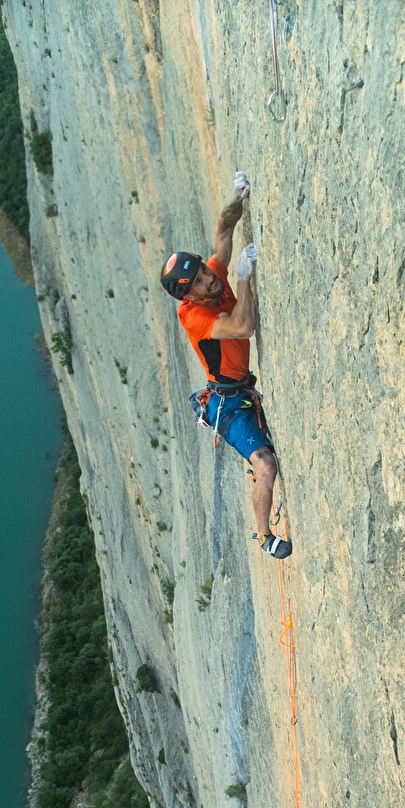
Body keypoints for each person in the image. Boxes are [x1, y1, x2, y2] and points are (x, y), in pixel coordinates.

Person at [160, 173, 292, 559]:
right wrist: (244, 279)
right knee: (265, 466)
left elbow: (223, 229)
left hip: (239, 391)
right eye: (199, 283)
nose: (209, 281)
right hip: (229, 405)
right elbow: (243, 327)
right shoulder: (193, 319)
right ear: (188, 297)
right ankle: (265, 538)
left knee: (265, 462)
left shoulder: (210, 277)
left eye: (203, 272)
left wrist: (238, 199)